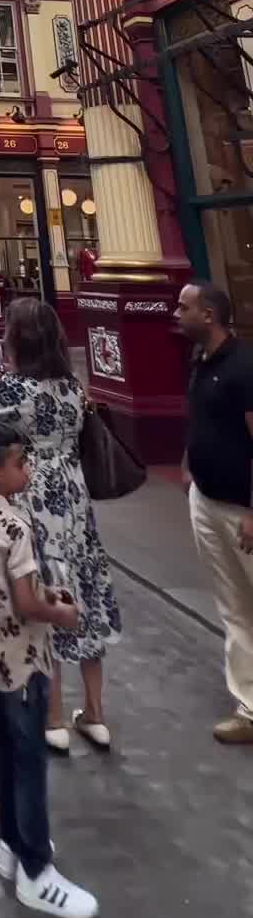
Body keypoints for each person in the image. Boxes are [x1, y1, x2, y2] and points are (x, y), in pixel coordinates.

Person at [0, 296, 121, 753]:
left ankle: (54, 717)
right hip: (74, 503)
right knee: (83, 594)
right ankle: (94, 713)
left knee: (43, 594)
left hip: (34, 501)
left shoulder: (12, 389)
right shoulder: (72, 386)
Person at [0, 419, 99, 918]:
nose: (30, 468)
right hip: (23, 662)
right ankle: (36, 872)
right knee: (29, 761)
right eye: (22, 463)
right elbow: (24, 602)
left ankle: (10, 840)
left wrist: (43, 594)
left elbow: (2, 588)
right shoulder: (16, 527)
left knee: (6, 749)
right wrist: (60, 611)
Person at [175, 280, 253, 744]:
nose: (174, 312)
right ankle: (249, 705)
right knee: (233, 606)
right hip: (206, 500)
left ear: (209, 315)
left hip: (241, 511)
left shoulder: (244, 368)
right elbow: (201, 419)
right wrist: (189, 463)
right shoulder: (200, 361)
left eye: (183, 307)